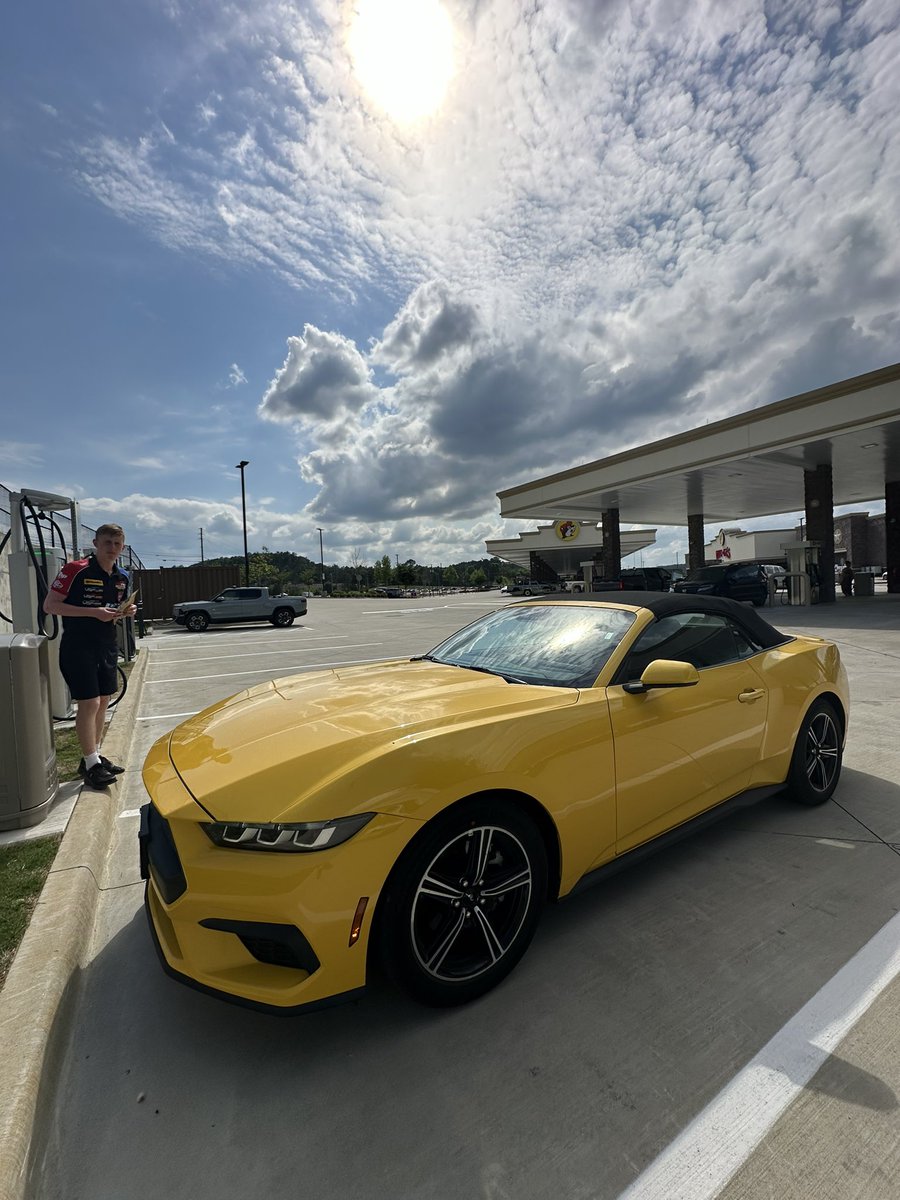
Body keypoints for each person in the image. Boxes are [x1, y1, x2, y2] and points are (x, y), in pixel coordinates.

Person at [43, 523, 137, 789]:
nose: (112, 549)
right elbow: (50, 605)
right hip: (78, 644)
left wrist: (126, 611)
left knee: (105, 699)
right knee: (90, 702)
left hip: (106, 643)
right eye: (107, 542)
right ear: (95, 543)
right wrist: (93, 612)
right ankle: (91, 762)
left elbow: (115, 606)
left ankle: (92, 756)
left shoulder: (122, 575)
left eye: (117, 544)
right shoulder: (76, 569)